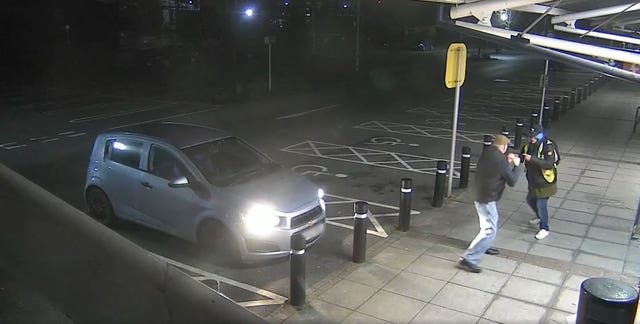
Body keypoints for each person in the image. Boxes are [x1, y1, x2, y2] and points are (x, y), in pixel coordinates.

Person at [457, 135, 523, 273]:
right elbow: (512, 181)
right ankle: (468, 259)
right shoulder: (500, 160)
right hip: (486, 198)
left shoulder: (488, 153)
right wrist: (517, 166)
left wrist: (506, 160)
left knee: (487, 224)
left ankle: (484, 246)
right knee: (489, 229)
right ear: (503, 146)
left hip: (480, 193)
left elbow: (497, 167)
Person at [521, 125, 560, 240]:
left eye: (533, 137)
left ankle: (544, 228)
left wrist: (532, 159)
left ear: (540, 135)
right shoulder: (528, 146)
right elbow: (522, 155)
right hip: (533, 180)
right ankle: (539, 217)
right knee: (530, 199)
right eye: (530, 137)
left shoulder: (548, 146)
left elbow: (548, 164)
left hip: (545, 182)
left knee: (541, 204)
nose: (531, 139)